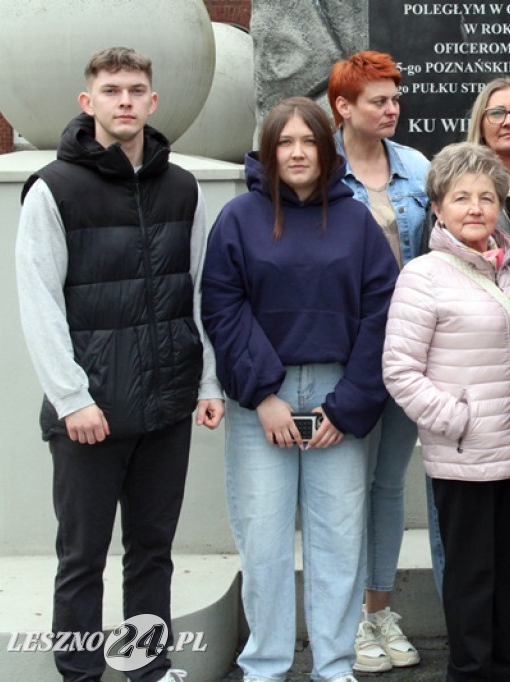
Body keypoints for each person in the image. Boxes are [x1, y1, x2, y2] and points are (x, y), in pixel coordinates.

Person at [15, 47, 224, 682]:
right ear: (89, 103)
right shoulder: (54, 189)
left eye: (136, 89)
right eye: (111, 90)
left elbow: (199, 292)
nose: (125, 100)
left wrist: (208, 380)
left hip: (166, 406)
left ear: (152, 102)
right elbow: (39, 301)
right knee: (81, 557)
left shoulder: (182, 187)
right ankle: (79, 674)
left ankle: (147, 668)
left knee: (151, 553)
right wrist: (71, 398)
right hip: (91, 414)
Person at [200, 96, 399, 682]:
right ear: (268, 150)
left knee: (338, 543)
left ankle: (334, 667)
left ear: (326, 149)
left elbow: (381, 314)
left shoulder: (356, 220)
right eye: (284, 142)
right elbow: (222, 306)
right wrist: (263, 395)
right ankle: (265, 666)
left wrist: (350, 403)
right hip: (263, 397)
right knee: (263, 541)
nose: (296, 153)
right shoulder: (239, 218)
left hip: (339, 393)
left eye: (307, 141)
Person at [383, 141, 510, 682]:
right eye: (461, 198)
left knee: (509, 572)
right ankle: (471, 672)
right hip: (464, 453)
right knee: (472, 575)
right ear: (438, 208)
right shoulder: (424, 276)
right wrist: (458, 420)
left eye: (485, 197)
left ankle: (498, 669)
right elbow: (401, 372)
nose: (475, 208)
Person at [421, 76, 510, 672]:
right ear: (480, 121)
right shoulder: (452, 200)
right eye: (497, 111)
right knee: (462, 529)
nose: (509, 119)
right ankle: (471, 635)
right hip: (469, 394)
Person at [327, 50, 430, 673]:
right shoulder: (320, 168)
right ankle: (342, 623)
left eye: (395, 99)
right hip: (346, 357)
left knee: (388, 484)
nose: (392, 110)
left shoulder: (415, 168)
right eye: (378, 101)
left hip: (408, 353)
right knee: (344, 490)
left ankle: (377, 614)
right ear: (343, 107)